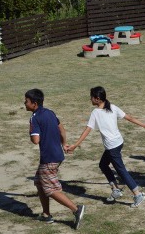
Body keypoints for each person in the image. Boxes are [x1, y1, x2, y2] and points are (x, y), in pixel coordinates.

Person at [68, 86, 145, 207]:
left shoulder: (96, 112)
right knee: (103, 165)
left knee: (121, 170)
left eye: (91, 97)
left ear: (97, 99)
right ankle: (115, 189)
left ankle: (137, 194)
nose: (90, 99)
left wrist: (75, 145)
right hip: (118, 143)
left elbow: (87, 130)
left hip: (112, 147)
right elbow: (129, 117)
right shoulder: (112, 107)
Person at [24, 88, 85, 230]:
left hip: (48, 158)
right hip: (57, 155)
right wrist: (64, 144)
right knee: (39, 182)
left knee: (50, 189)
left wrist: (31, 130)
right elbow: (61, 129)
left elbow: (35, 140)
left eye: (26, 101)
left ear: (34, 103)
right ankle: (46, 214)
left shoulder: (35, 118)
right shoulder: (50, 113)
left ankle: (76, 210)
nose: (24, 103)